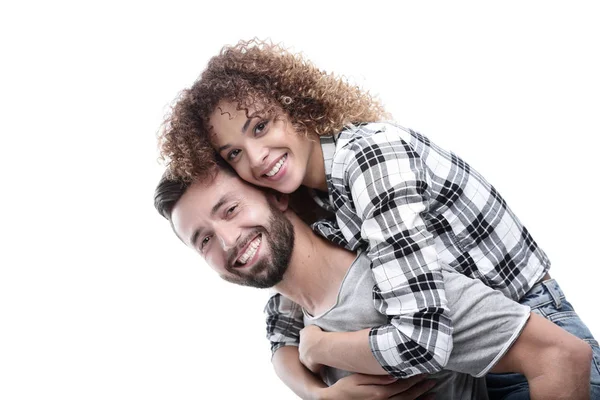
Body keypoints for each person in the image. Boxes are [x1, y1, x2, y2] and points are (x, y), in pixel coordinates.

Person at [157, 39, 600, 398]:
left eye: (259, 126)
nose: (256, 156)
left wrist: (322, 345)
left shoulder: (369, 159)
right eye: (234, 153)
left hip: (535, 327)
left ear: (292, 104)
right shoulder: (308, 191)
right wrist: (317, 393)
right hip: (478, 359)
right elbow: (284, 321)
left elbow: (424, 342)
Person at [154, 165, 593, 399]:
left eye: (230, 210)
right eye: (204, 239)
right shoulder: (292, 316)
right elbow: (281, 346)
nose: (228, 241)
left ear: (277, 195)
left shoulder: (392, 284)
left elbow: (561, 355)